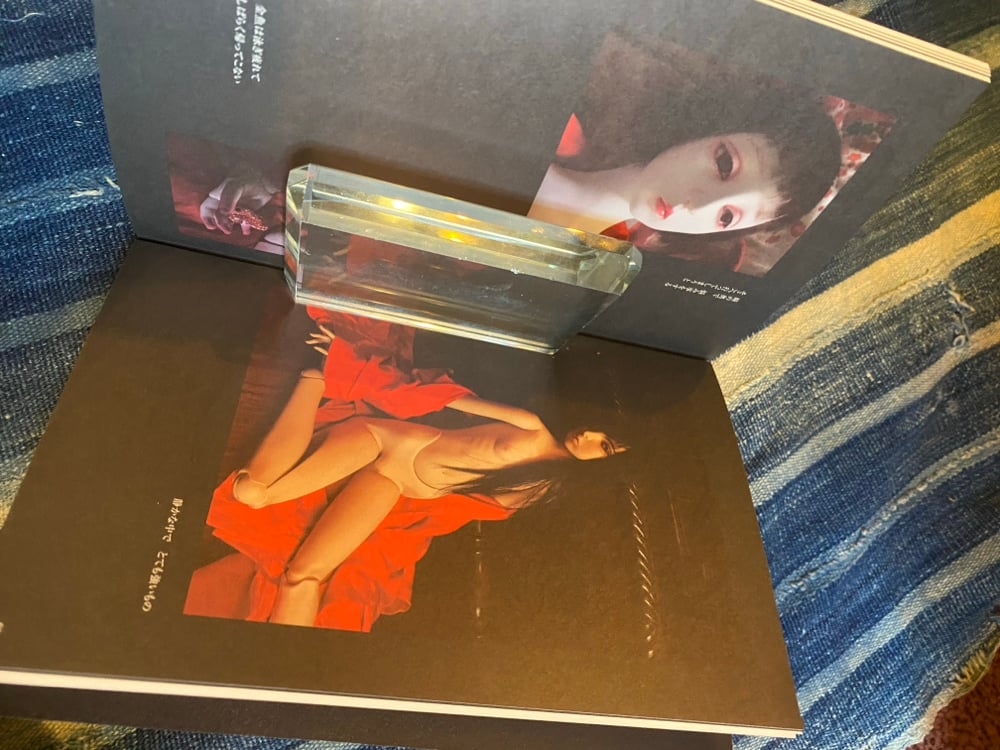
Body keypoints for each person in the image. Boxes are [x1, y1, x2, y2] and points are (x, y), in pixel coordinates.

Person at [206, 311, 628, 629]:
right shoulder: (532, 427)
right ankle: (313, 377)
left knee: (302, 577)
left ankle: (279, 673)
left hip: (392, 481)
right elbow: (442, 397)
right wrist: (348, 362)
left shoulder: (539, 493)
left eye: (604, 446)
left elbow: (458, 509)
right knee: (254, 495)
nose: (588, 435)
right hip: (383, 440)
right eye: (599, 429)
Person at [528, 33, 844, 271]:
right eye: (724, 164)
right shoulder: (553, 124)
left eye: (727, 217)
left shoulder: (610, 264)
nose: (697, 205)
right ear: (709, 126)